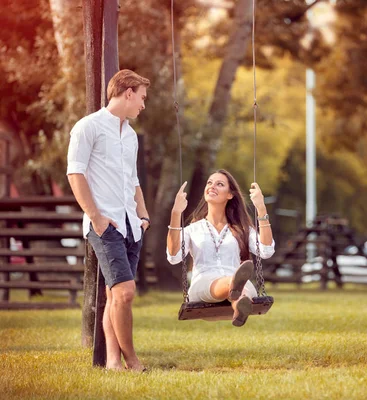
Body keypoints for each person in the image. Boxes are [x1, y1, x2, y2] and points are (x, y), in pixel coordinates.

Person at [67, 69, 150, 371]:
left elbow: (134, 180)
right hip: (105, 226)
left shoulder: (130, 135)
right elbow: (75, 173)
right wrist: (97, 218)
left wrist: (143, 215)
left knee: (115, 294)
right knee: (126, 292)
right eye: (141, 98)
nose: (143, 104)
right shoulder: (87, 127)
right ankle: (133, 360)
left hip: (132, 225)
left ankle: (113, 361)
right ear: (128, 93)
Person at [166, 169, 275, 327]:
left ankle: (239, 306)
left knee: (241, 290)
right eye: (209, 183)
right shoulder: (193, 229)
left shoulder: (242, 228)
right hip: (204, 284)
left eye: (219, 184)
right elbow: (173, 255)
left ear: (230, 194)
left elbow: (266, 250)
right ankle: (235, 288)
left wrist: (261, 209)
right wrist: (176, 214)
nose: (212, 186)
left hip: (239, 280)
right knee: (238, 285)